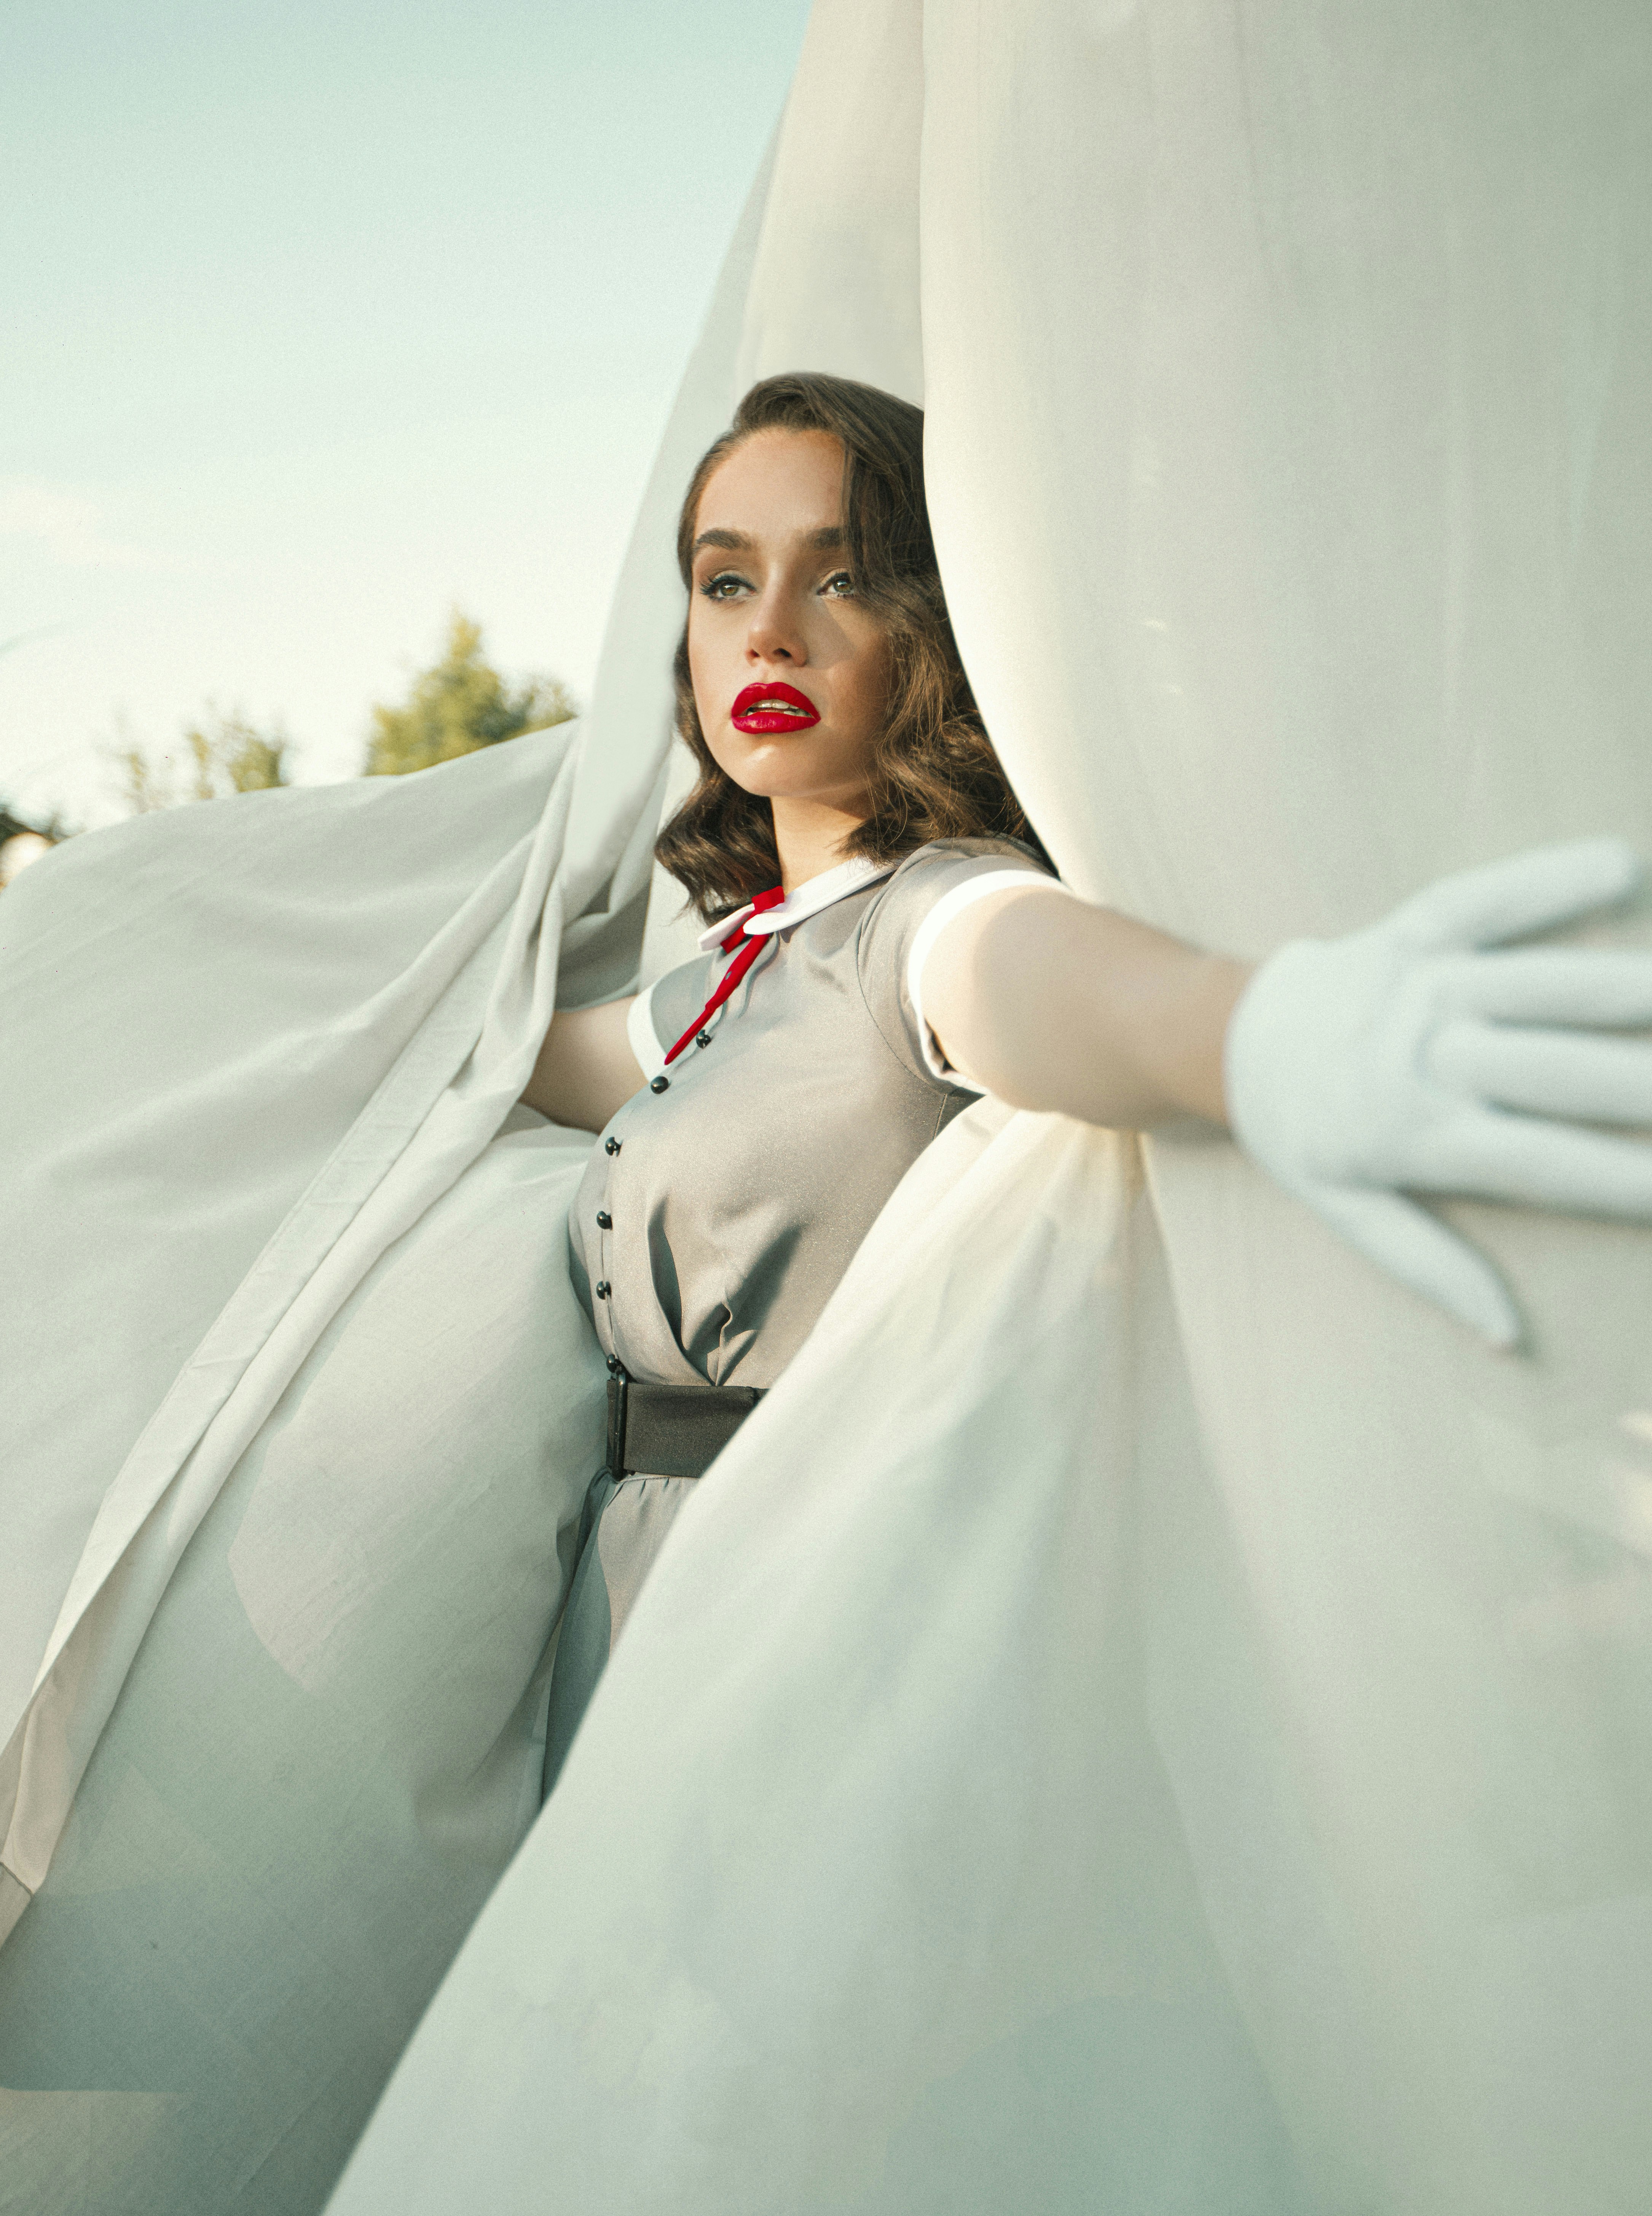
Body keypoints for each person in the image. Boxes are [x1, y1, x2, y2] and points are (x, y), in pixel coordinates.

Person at [516, 368, 1652, 1791]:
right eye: (725, 581)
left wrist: (1245, 1033)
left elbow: (1018, 974)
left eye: (845, 575)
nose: (774, 633)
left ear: (930, 621)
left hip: (817, 1617)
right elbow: (513, 1060)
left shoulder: (927, 913)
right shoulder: (728, 972)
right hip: (635, 1601)